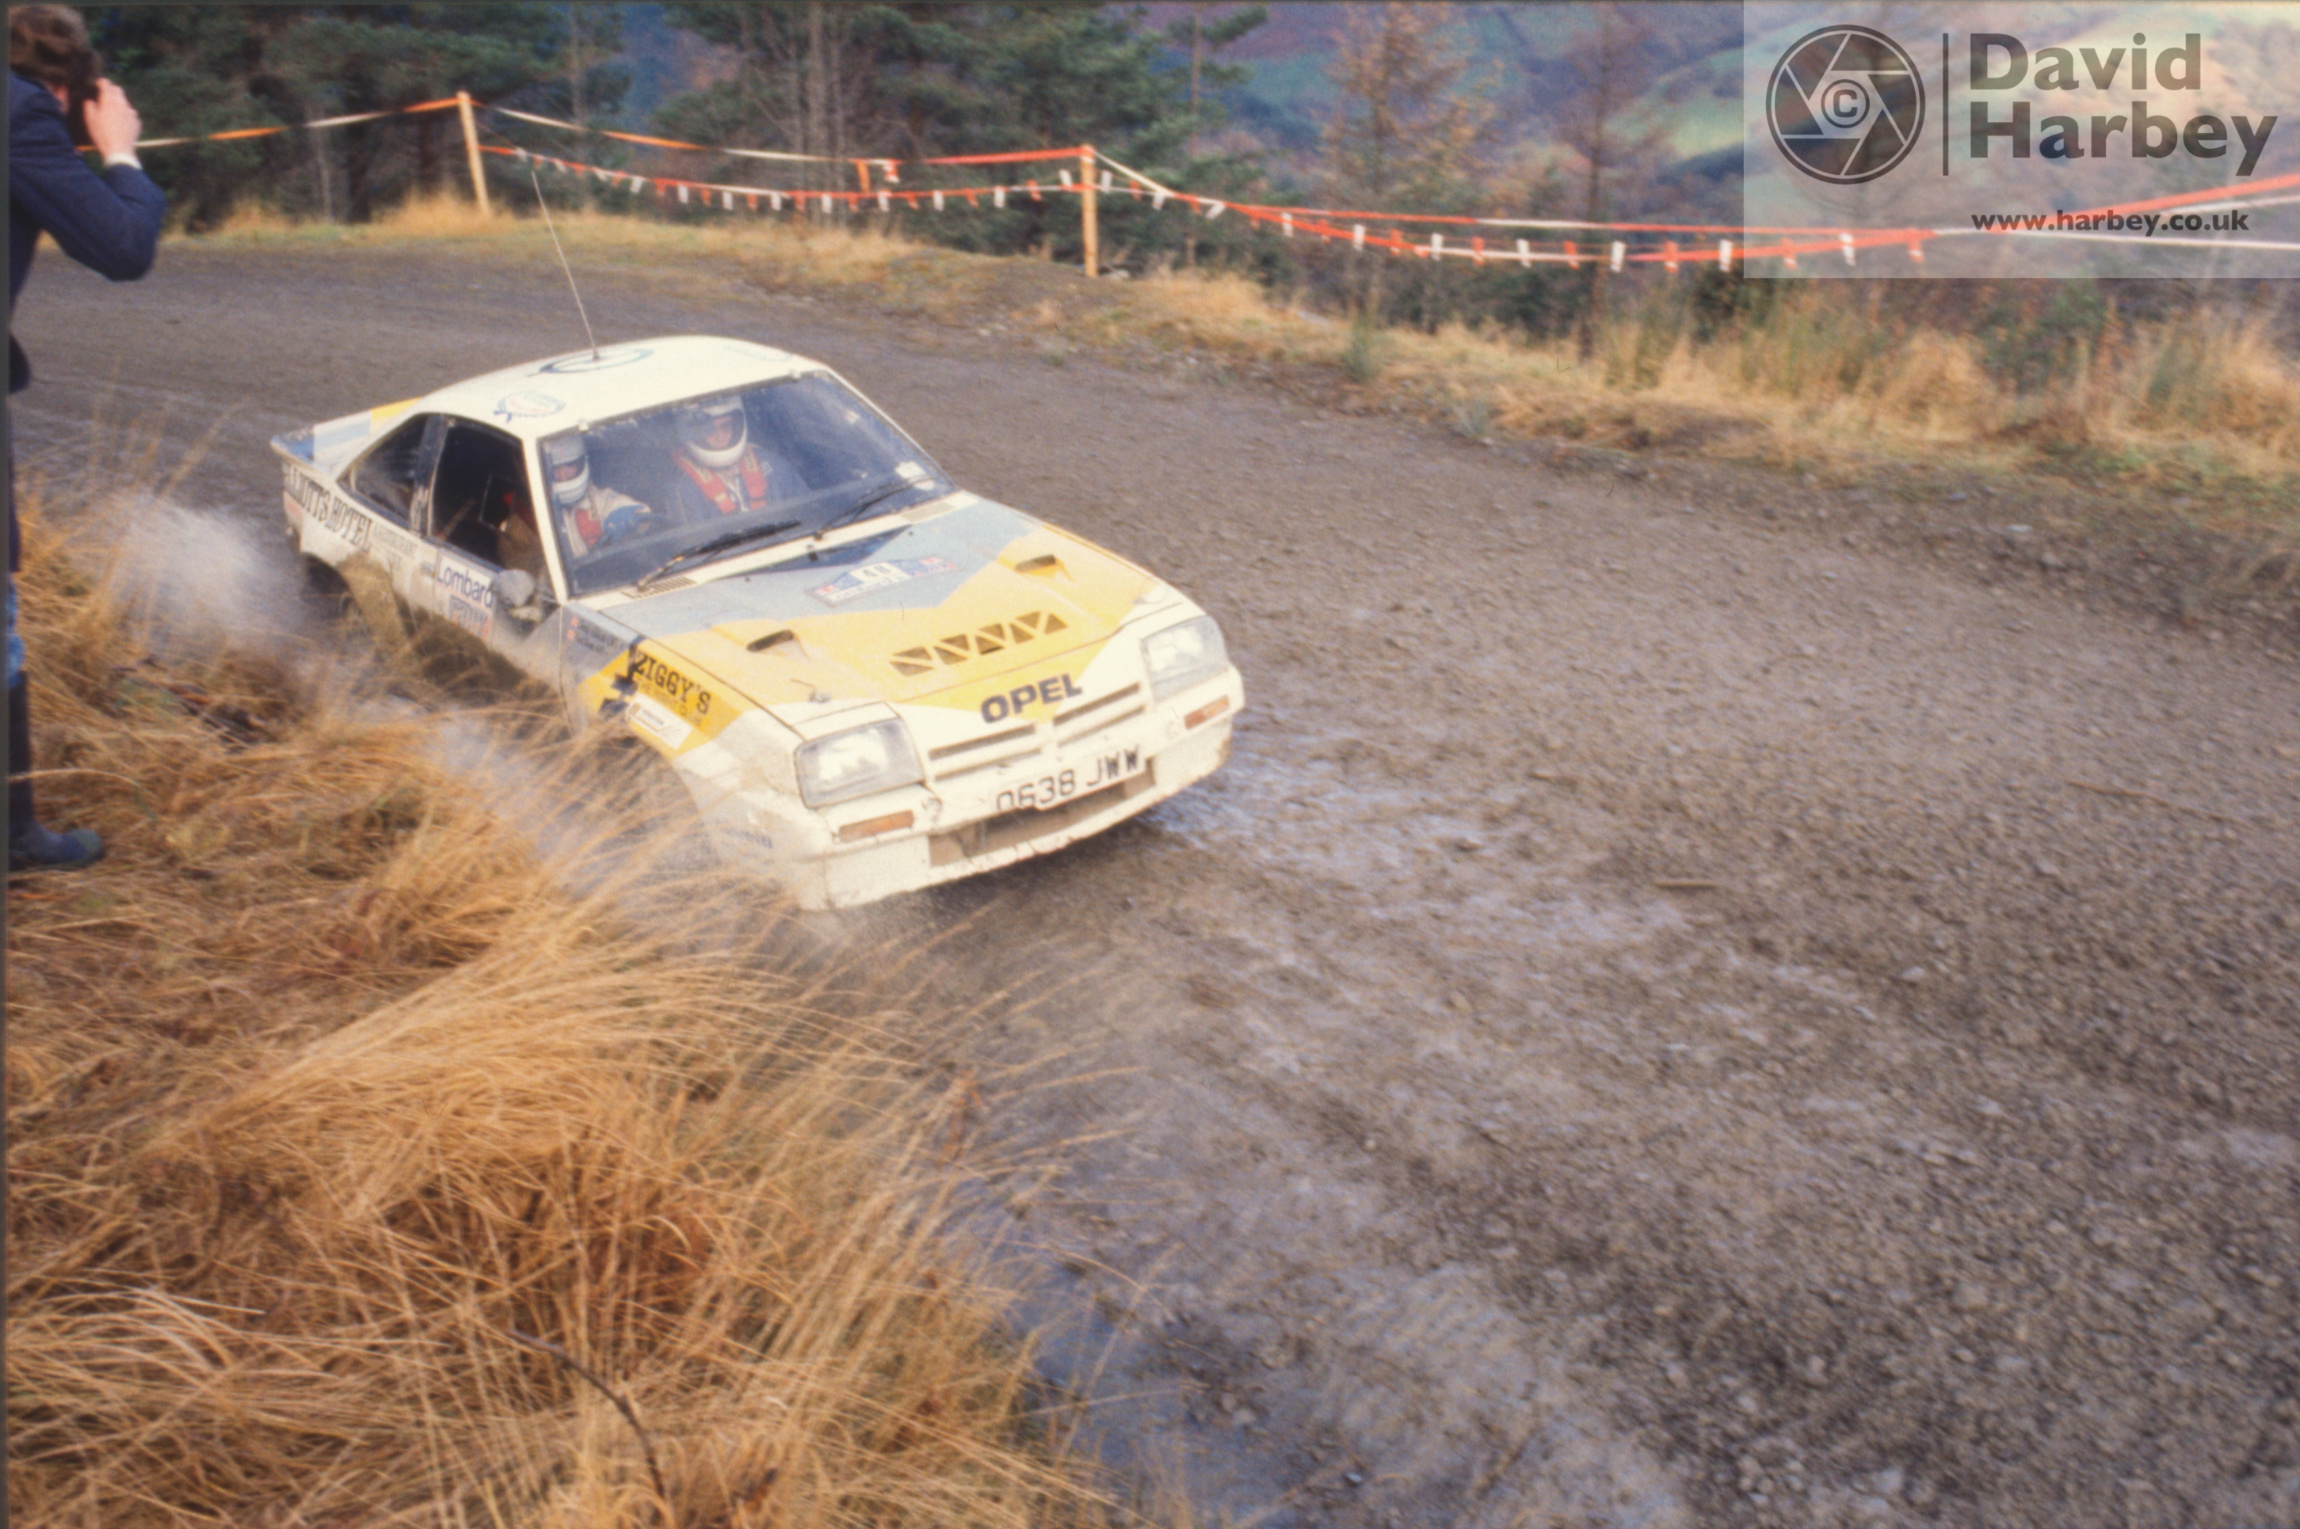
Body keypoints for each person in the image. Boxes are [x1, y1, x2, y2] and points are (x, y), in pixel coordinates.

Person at [8, 4, 164, 872]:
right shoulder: (23, 112)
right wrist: (116, 149)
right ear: (68, 88)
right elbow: (121, 244)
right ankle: (13, 835)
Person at [666, 395, 786, 523]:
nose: (719, 436)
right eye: (708, 430)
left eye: (725, 426)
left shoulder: (771, 465)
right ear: (692, 432)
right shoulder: (685, 488)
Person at [543, 434, 653, 558]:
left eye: (569, 465)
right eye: (556, 468)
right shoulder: (543, 512)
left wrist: (630, 515)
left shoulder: (600, 500)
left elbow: (642, 513)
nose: (562, 475)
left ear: (582, 463)